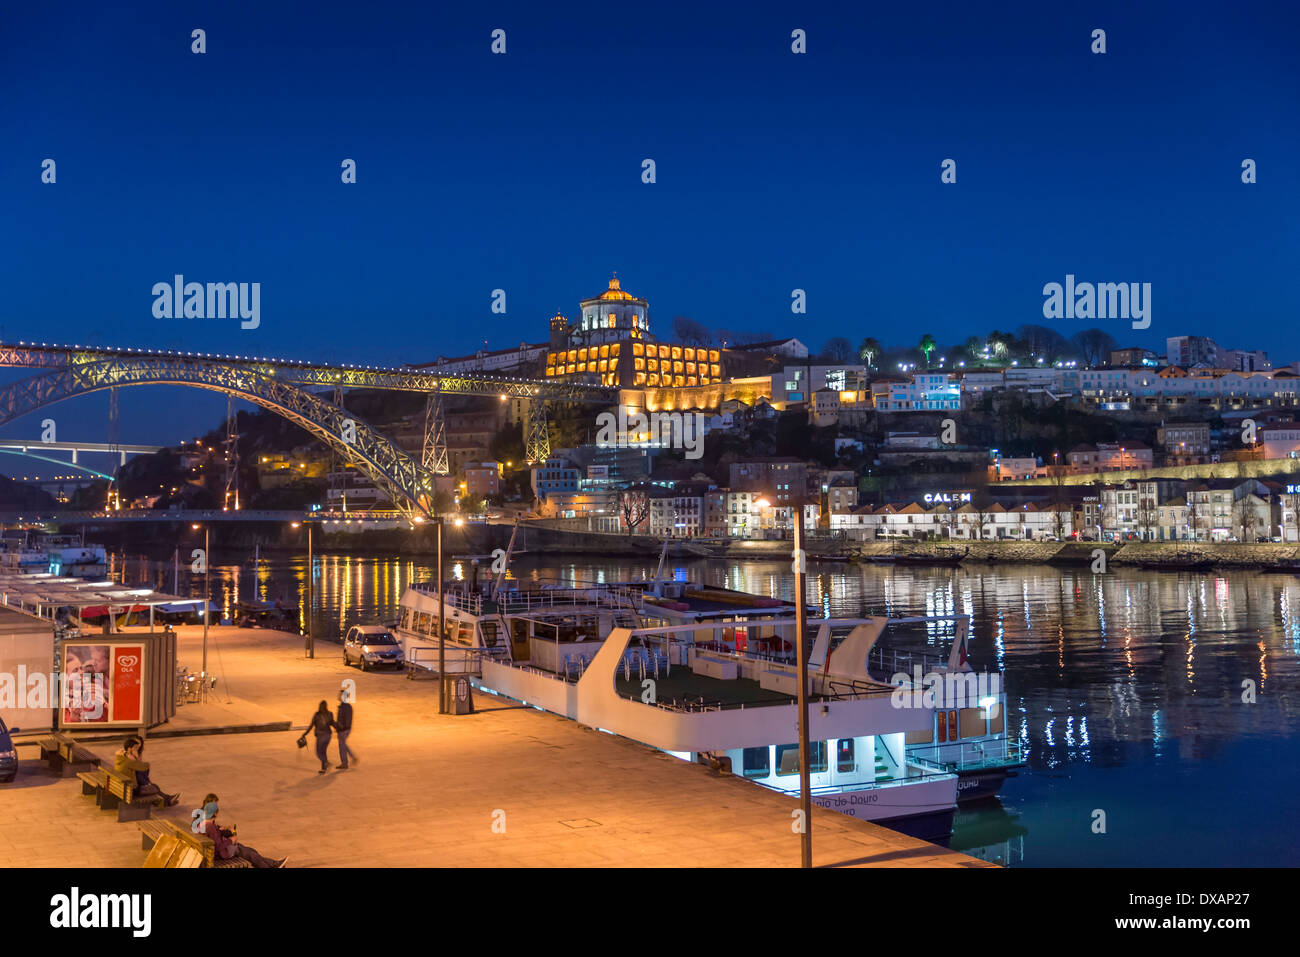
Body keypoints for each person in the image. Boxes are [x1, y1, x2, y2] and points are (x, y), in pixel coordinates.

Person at [200, 794, 286, 868]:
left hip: (213, 852)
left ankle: (273, 864)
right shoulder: (209, 826)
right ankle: (272, 865)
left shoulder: (204, 822)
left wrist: (221, 830)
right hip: (218, 855)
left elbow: (214, 836)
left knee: (250, 850)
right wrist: (231, 840)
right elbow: (219, 847)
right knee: (248, 853)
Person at [115, 735, 179, 807]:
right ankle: (167, 800)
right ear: (130, 749)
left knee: (151, 787)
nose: (137, 749)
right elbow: (145, 767)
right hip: (131, 790)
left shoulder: (121, 757)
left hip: (125, 787)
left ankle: (167, 801)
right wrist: (136, 757)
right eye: (136, 748)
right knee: (154, 788)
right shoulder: (128, 761)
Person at [305, 700, 337, 774]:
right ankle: (323, 769)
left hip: (321, 736)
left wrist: (305, 734)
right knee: (323, 752)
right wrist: (339, 729)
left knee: (319, 753)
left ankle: (326, 763)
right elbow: (333, 723)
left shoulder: (316, 715)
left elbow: (311, 725)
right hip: (328, 736)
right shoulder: (330, 713)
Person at [336, 689, 357, 770]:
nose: (338, 696)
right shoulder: (343, 706)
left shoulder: (346, 707)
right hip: (342, 729)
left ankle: (345, 763)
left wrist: (342, 729)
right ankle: (352, 758)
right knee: (343, 745)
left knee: (342, 746)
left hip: (344, 730)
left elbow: (347, 720)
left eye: (339, 695)